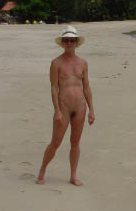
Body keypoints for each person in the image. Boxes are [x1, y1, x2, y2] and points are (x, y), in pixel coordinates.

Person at [37, 25, 96, 186]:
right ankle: (42, 170)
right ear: (62, 43)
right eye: (66, 40)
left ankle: (73, 176)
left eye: (72, 40)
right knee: (56, 142)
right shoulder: (56, 63)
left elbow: (86, 87)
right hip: (63, 107)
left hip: (80, 107)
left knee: (75, 143)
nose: (69, 43)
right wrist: (57, 110)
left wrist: (91, 110)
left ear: (76, 42)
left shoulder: (83, 63)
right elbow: (54, 87)